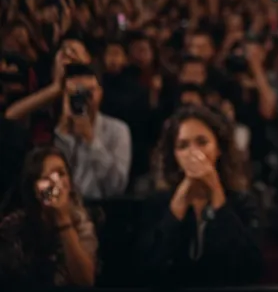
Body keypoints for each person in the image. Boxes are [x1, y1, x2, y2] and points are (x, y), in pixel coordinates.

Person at [138, 105, 263, 287]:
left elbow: (250, 268)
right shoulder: (158, 202)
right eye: (183, 146)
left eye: (202, 142)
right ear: (174, 155)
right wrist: (179, 202)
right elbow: (148, 268)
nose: (193, 153)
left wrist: (216, 193)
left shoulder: (243, 202)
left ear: (219, 149)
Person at [0, 147, 97, 287]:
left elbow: (86, 281)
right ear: (35, 188)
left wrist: (63, 219)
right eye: (47, 177)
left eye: (61, 174)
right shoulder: (13, 226)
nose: (57, 183)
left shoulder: (82, 222)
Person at [54, 63, 132, 200]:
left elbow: (116, 187)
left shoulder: (118, 130)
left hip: (104, 207)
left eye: (88, 92)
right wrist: (64, 135)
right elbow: (54, 181)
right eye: (76, 93)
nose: (84, 99)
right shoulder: (58, 131)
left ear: (100, 93)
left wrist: (91, 140)